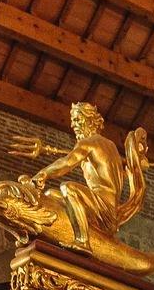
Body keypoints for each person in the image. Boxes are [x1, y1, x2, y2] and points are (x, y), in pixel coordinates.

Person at [28, 102, 125, 250]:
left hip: (104, 208)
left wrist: (43, 174)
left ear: (91, 121)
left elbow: (66, 163)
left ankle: (83, 241)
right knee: (51, 195)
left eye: (78, 120)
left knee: (68, 188)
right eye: (74, 121)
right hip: (106, 208)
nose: (74, 125)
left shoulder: (89, 143)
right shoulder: (111, 146)